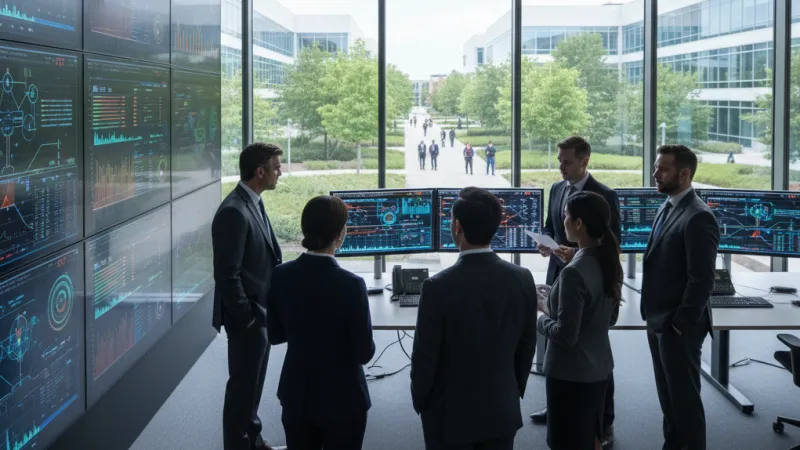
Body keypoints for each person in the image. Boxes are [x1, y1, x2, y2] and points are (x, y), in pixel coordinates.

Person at [411, 187, 538, 450]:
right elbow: (527, 347)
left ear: (457, 226)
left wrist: (421, 402)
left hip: (449, 417)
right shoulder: (523, 278)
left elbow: (425, 357)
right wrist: (512, 392)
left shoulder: (437, 286)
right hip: (502, 409)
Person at [531, 136, 620, 450]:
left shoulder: (605, 196)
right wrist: (550, 246)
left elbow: (611, 244)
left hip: (578, 275)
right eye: (559, 160)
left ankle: (601, 421)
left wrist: (539, 316)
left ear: (585, 160)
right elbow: (552, 228)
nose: (561, 166)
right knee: (577, 352)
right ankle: (576, 418)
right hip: (563, 273)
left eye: (567, 161)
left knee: (583, 342)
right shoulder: (557, 190)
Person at [267, 195, 375, 450]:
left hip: (297, 395)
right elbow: (363, 353)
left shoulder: (280, 275)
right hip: (345, 400)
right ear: (341, 234)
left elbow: (275, 335)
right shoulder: (352, 285)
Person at [642, 144, 719, 450]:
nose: (655, 174)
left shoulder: (699, 216)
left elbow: (701, 280)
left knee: (685, 404)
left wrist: (679, 325)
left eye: (663, 169)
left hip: (677, 327)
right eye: (656, 167)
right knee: (670, 401)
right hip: (659, 320)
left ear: (685, 174)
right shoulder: (670, 204)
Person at [212, 142, 285, 450]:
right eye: (276, 167)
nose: (280, 172)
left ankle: (252, 439)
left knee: (252, 387)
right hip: (248, 319)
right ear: (260, 172)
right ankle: (238, 445)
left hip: (260, 313)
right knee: (242, 389)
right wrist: (249, 317)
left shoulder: (251, 201)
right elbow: (227, 275)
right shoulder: (234, 212)